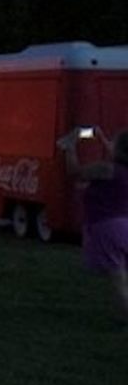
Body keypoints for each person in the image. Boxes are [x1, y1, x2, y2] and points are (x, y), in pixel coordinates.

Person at [58, 127, 128, 321]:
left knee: (118, 279)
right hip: (125, 225)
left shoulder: (107, 169)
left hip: (107, 226)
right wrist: (104, 139)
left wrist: (69, 147)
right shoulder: (121, 172)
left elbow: (75, 172)